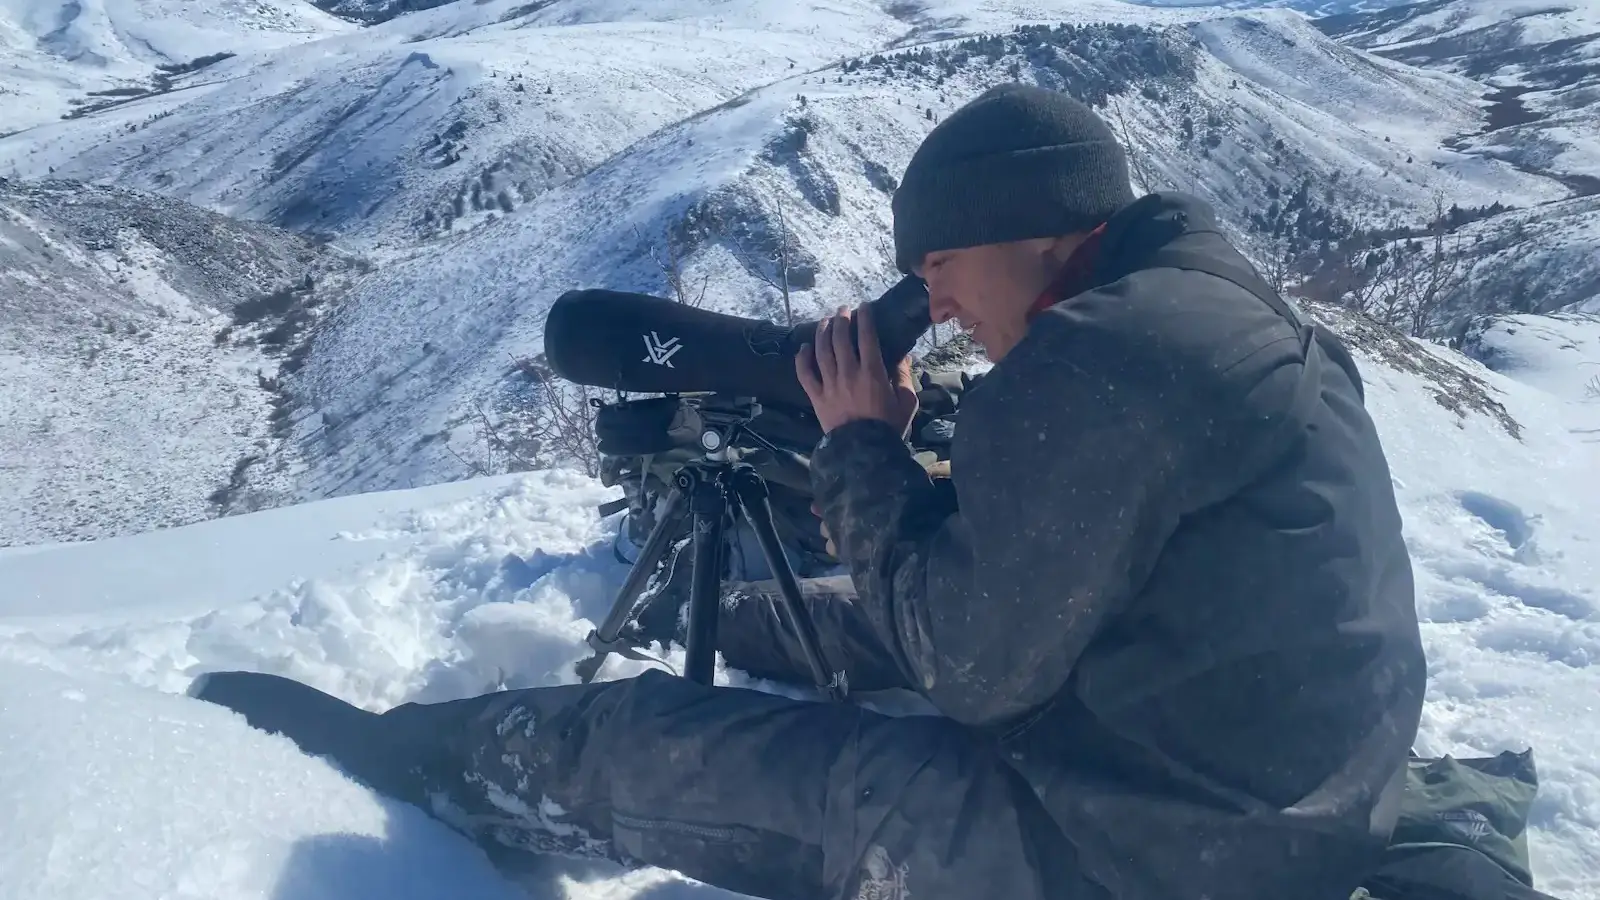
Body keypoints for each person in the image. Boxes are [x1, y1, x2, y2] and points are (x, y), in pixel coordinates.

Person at [191, 83, 1427, 900]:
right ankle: (721, 616)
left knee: (653, 742)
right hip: (1268, 791)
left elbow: (968, 672)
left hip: (1127, 854)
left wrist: (863, 447)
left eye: (937, 263)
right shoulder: (1213, 310)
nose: (933, 299)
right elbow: (1038, 573)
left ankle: (410, 762)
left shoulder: (1095, 360)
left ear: (1037, 229)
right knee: (820, 611)